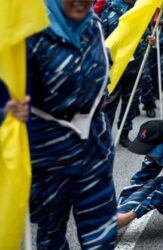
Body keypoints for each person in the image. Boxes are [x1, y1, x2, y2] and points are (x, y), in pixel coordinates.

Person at [27, 0, 118, 249]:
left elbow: (102, 73)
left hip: (95, 150)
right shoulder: (30, 31)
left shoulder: (94, 26)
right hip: (49, 158)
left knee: (102, 238)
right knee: (51, 238)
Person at [100, 0, 148, 147]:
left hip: (134, 64)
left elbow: (144, 33)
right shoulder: (109, 11)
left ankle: (124, 133)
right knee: (111, 102)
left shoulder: (138, 10)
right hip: (115, 66)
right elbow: (104, 40)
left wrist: (149, 39)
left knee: (131, 101)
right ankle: (106, 135)